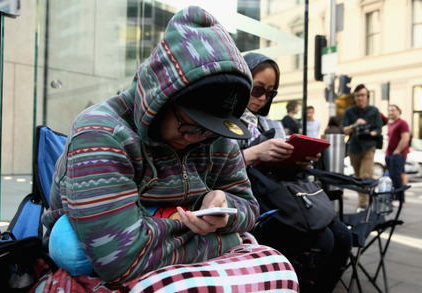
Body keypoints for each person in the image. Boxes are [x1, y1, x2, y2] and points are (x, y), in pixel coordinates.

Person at [35, 7, 299, 292]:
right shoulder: (101, 133)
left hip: (155, 246)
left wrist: (226, 206)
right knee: (73, 246)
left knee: (284, 270)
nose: (198, 138)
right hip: (102, 255)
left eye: (212, 128)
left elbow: (249, 207)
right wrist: (229, 238)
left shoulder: (216, 136)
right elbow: (120, 261)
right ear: (160, 97)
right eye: (190, 124)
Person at [239, 52, 352, 293]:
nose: (262, 98)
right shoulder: (223, 123)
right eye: (257, 89)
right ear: (241, 82)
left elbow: (279, 168)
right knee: (326, 240)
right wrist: (255, 152)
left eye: (270, 93)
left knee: (343, 236)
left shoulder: (271, 124)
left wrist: (299, 161)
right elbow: (214, 167)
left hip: (280, 197)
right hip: (253, 207)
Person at [341, 84, 383, 211]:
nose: (360, 98)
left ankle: (363, 204)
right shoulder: (349, 111)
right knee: (358, 178)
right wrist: (355, 125)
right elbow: (344, 129)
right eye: (357, 95)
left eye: (362, 95)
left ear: (367, 96)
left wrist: (369, 132)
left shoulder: (374, 111)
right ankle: (366, 199)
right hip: (353, 147)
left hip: (369, 147)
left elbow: (379, 129)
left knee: (365, 175)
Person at [385, 104, 410, 207]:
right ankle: (396, 198)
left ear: (399, 111)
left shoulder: (402, 123)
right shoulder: (391, 124)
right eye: (389, 110)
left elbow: (405, 138)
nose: (391, 112)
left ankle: (400, 200)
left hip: (397, 155)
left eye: (393, 110)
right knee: (393, 178)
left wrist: (397, 151)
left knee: (396, 178)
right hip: (389, 155)